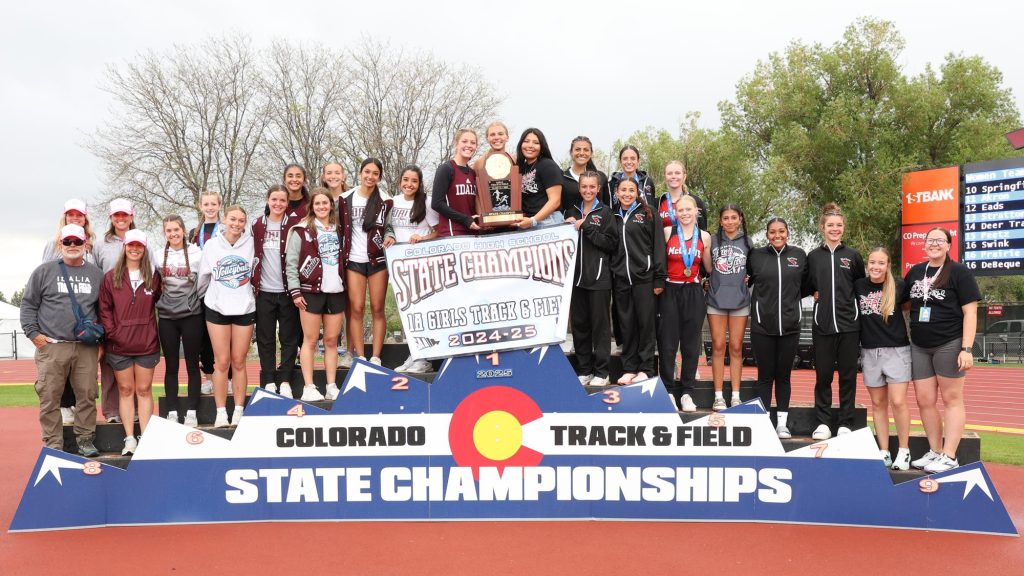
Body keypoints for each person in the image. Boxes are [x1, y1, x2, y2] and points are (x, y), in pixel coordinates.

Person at [21, 224, 104, 456]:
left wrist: (102, 341)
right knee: (49, 397)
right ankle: (53, 444)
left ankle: (85, 439)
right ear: (60, 244)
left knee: (87, 395)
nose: (72, 246)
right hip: (52, 345)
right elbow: (28, 304)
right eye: (67, 242)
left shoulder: (96, 274)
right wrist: (33, 334)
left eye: (77, 242)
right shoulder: (44, 271)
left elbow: (104, 310)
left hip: (85, 347)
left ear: (85, 244)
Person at [902, 227, 980, 473]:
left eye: (940, 240)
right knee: (924, 400)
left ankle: (950, 455)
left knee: (951, 399)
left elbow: (970, 312)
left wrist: (966, 348)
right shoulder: (915, 272)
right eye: (930, 240)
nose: (934, 244)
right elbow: (901, 302)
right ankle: (935, 451)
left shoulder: (959, 272)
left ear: (948, 245)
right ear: (924, 245)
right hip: (919, 345)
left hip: (949, 342)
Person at [804, 202, 865, 440]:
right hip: (823, 325)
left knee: (848, 376)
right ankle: (823, 422)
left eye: (839, 225)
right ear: (822, 227)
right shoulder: (814, 257)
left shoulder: (853, 256)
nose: (835, 229)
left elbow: (861, 287)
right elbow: (807, 286)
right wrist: (814, 293)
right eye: (830, 225)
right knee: (824, 376)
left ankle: (846, 422)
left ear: (844, 228)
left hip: (850, 325)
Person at [99, 229, 161, 455]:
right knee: (126, 390)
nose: (134, 249)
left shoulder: (154, 276)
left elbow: (157, 301)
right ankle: (129, 439)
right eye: (131, 245)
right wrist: (113, 333)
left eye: (139, 246)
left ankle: (146, 438)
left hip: (146, 343)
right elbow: (104, 310)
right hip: (119, 345)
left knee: (143, 390)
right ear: (124, 247)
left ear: (144, 249)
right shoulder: (110, 277)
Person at [746, 218, 806, 436]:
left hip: (790, 326)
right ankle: (763, 424)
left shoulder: (799, 255)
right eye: (772, 232)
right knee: (765, 376)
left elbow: (806, 285)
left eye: (781, 231)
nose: (777, 235)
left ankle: (782, 423)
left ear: (788, 233)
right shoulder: (756, 256)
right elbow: (745, 280)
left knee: (784, 376)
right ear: (767, 234)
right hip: (762, 326)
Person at [198, 205, 256, 428]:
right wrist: (202, 299)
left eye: (241, 220)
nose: (236, 224)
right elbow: (203, 278)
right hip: (217, 308)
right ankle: (221, 412)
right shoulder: (212, 246)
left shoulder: (251, 244)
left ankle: (240, 410)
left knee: (239, 362)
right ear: (224, 220)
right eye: (232, 219)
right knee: (221, 362)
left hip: (244, 308)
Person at [41, 199, 97, 426]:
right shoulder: (52, 245)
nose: (75, 218)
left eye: (79, 215)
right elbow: (43, 278)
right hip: (58, 322)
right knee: (58, 374)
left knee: (84, 378)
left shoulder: (92, 247)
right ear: (64, 218)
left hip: (84, 322)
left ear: (86, 220)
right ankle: (65, 407)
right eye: (70, 215)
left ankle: (79, 416)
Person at [855, 247, 912, 470]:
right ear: (867, 264)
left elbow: (907, 308)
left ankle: (904, 451)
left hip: (896, 350)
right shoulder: (859, 285)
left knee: (898, 402)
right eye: (872, 262)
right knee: (878, 404)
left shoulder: (898, 285)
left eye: (881, 263)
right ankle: (884, 451)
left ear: (888, 265)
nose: (875, 267)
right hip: (869, 351)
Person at [287, 189, 346, 401]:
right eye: (317, 203)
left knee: (331, 341)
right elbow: (291, 263)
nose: (322, 207)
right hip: (310, 292)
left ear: (331, 205)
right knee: (310, 341)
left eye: (325, 203)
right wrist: (295, 291)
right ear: (311, 206)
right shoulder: (301, 230)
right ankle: (309, 387)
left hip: (336, 291)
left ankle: (331, 385)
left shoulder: (340, 230)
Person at [95, 198, 150, 423]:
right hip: (110, 311)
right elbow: (96, 276)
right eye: (116, 215)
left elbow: (152, 274)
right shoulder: (100, 245)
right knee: (110, 366)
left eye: (124, 215)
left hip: (137, 314)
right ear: (111, 217)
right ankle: (111, 412)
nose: (121, 219)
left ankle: (136, 412)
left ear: (131, 216)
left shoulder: (143, 241)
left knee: (137, 374)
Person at [658, 194, 712, 411]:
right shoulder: (667, 232)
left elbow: (708, 268)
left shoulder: (705, 237)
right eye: (681, 210)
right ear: (675, 213)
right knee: (668, 345)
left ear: (696, 211)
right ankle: (669, 391)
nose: (685, 213)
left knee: (691, 346)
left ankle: (688, 392)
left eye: (689, 210)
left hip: (693, 290)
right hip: (670, 290)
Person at [611, 179, 666, 384]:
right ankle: (629, 368)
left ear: (637, 192)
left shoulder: (648, 213)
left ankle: (646, 369)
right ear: (616, 192)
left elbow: (658, 245)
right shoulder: (613, 215)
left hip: (645, 277)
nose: (627, 193)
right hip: (622, 279)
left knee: (646, 325)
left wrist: (659, 277)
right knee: (627, 325)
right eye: (623, 190)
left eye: (631, 190)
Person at [566, 171, 617, 387]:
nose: (588, 190)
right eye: (584, 186)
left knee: (600, 327)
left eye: (592, 187)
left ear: (598, 189)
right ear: (579, 188)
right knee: (580, 326)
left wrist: (585, 226)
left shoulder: (605, 213)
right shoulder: (570, 210)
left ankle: (602, 372)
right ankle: (585, 369)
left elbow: (611, 243)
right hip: (575, 279)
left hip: (599, 278)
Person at [251, 185, 302, 398]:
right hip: (264, 292)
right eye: (274, 199)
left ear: (287, 202)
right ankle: (270, 379)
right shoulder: (257, 225)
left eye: (282, 200)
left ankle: (286, 380)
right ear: (268, 199)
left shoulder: (294, 224)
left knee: (289, 338)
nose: (278, 204)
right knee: (265, 338)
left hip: (287, 291)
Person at [386, 165, 438, 374]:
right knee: (406, 314)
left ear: (419, 184)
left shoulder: (426, 203)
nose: (409, 184)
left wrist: (422, 238)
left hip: (420, 265)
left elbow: (439, 231)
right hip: (398, 266)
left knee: (419, 312)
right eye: (405, 180)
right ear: (400, 181)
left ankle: (424, 358)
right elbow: (386, 227)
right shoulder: (392, 202)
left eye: (414, 181)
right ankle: (413, 355)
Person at [341, 159, 393, 365]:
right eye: (367, 172)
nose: (370, 176)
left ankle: (376, 357)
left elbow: (390, 226)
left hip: (377, 259)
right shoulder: (345, 199)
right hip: (353, 259)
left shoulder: (386, 200)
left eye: (375, 173)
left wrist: (390, 235)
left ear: (379, 177)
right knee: (356, 308)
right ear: (360, 173)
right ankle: (360, 355)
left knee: (378, 308)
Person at [156, 215, 204, 427]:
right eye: (169, 231)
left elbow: (204, 282)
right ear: (164, 233)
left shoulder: (197, 253)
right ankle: (173, 411)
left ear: (183, 230)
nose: (173, 234)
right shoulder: (158, 255)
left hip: (191, 315)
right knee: (171, 366)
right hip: (167, 317)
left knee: (193, 365)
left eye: (176, 229)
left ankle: (192, 411)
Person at [707, 205, 753, 411]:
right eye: (726, 218)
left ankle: (735, 395)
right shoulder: (712, 241)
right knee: (717, 347)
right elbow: (705, 268)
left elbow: (752, 271)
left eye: (734, 217)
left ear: (741, 219)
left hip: (740, 301)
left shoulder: (748, 242)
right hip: (716, 300)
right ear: (720, 221)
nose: (730, 221)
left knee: (735, 347)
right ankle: (718, 396)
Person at [189, 190, 224, 395]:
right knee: (203, 338)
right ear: (200, 206)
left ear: (219, 206)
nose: (210, 208)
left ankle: (226, 378)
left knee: (222, 337)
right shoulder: (194, 232)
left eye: (213, 204)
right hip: (202, 290)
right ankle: (209, 377)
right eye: (206, 204)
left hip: (222, 289)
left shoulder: (226, 228)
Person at [432, 129, 480, 237]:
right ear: (456, 144)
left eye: (473, 143)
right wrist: (465, 219)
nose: (469, 145)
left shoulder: (473, 173)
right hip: (452, 233)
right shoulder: (446, 169)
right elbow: (436, 203)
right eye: (464, 141)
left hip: (473, 233)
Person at [515, 128, 563, 229]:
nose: (530, 146)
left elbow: (555, 200)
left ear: (541, 146)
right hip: (527, 222)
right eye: (526, 141)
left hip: (548, 222)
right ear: (521, 145)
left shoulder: (548, 165)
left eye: (536, 143)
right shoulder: (521, 168)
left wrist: (533, 220)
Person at [560, 136, 608, 216]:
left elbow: (608, 205)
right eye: (577, 149)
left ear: (591, 153)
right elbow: (558, 207)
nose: (582, 153)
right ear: (571, 152)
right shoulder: (561, 178)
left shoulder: (601, 177)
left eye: (586, 150)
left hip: (597, 225)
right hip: (569, 226)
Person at [657, 160, 708, 231]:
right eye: (669, 173)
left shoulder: (696, 201)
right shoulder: (657, 203)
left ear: (684, 177)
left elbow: (703, 230)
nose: (673, 176)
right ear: (665, 177)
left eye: (677, 173)